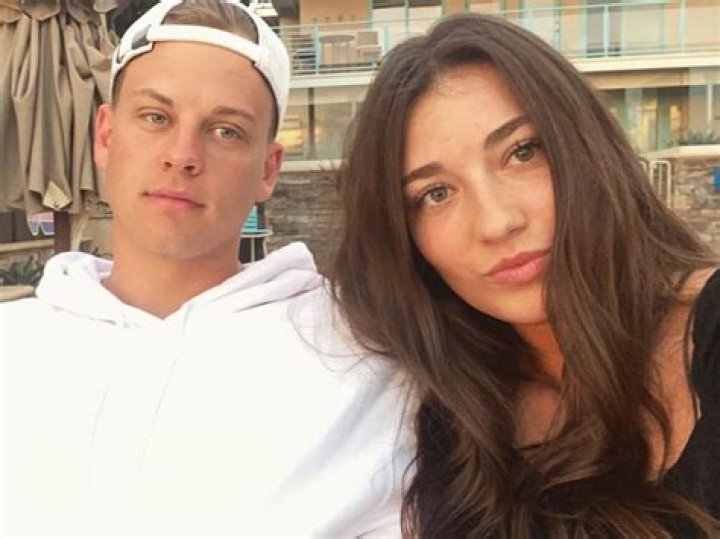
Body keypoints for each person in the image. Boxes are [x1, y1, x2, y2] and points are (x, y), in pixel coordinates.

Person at [0, 1, 412, 535]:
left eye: (225, 131)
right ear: (105, 137)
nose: (182, 155)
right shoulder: (16, 346)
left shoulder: (364, 363)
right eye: (156, 117)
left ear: (268, 170)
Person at [332, 13, 720, 538]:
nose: (497, 223)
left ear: (585, 147)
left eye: (522, 152)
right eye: (435, 194)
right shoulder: (443, 419)